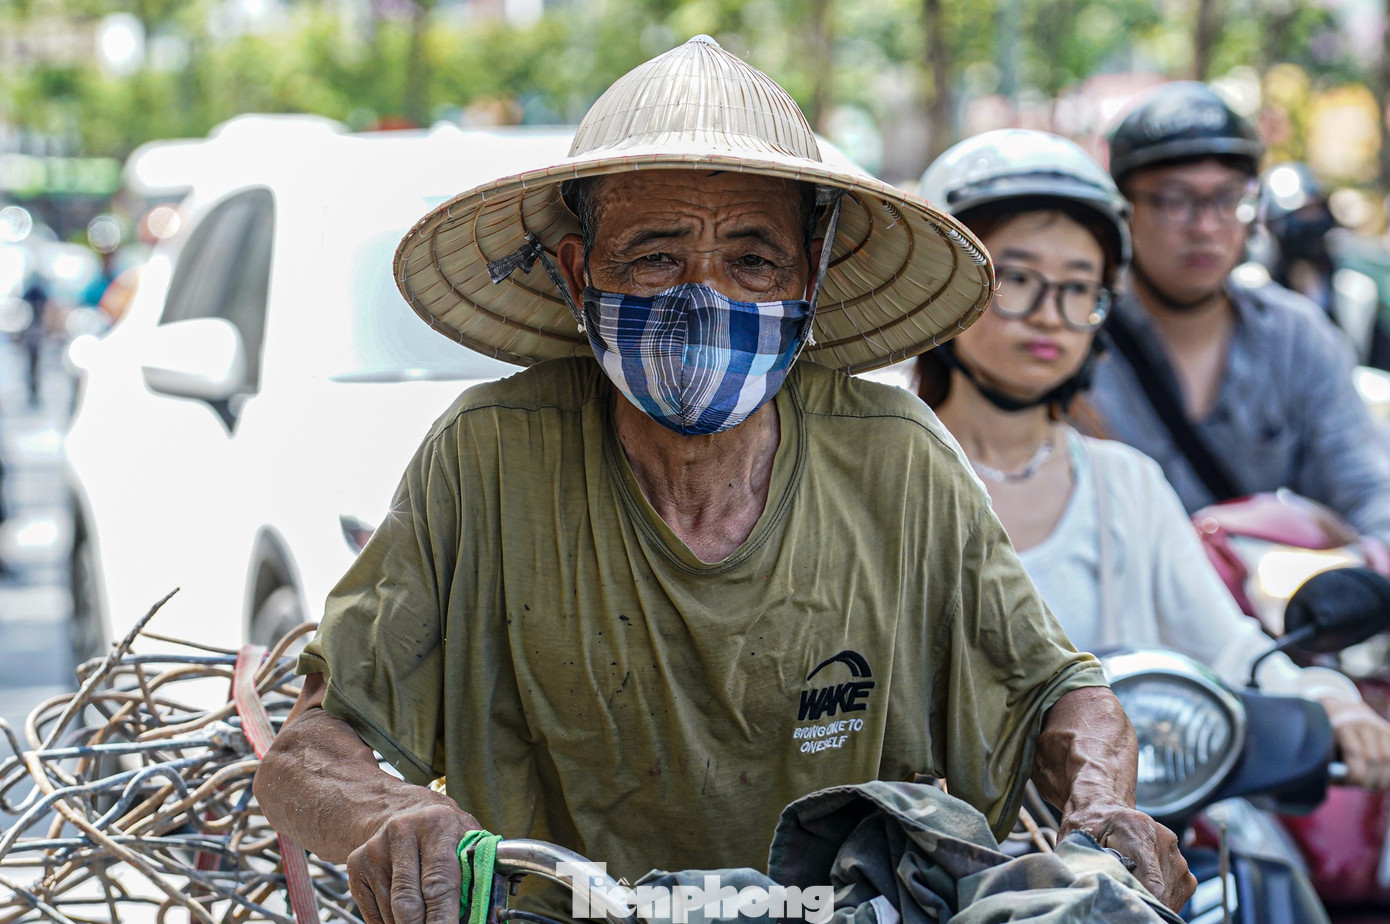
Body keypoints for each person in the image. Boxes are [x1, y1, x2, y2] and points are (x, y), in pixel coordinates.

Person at [253, 36, 1194, 923]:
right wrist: (390, 816)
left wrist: (1106, 807)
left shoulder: (895, 459)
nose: (704, 298)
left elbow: (1056, 694)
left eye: (752, 261)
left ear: (810, 279)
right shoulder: (488, 453)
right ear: (580, 277)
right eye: (657, 256)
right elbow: (309, 751)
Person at [916, 128, 1390, 792]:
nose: (1052, 314)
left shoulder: (1124, 483)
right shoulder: (888, 470)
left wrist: (1326, 695)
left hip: (1123, 845)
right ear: (944, 285)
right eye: (1018, 279)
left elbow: (1228, 648)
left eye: (1079, 287)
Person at [1085, 82, 1390, 542]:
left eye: (1228, 199)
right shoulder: (1075, 339)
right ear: (1123, 211)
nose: (1206, 227)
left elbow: (1367, 493)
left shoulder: (1296, 337)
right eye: (1174, 200)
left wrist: (1367, 576)